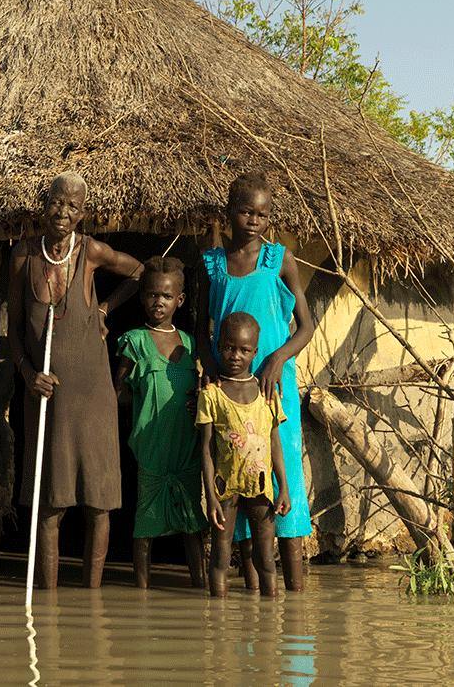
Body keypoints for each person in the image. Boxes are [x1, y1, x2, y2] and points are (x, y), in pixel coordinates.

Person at [9, 171, 142, 589]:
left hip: (93, 394)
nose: (62, 213)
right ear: (44, 204)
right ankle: (47, 599)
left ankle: (92, 598)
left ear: (83, 213)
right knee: (50, 504)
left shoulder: (92, 251)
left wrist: (104, 308)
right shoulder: (23, 255)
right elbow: (12, 331)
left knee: (98, 504)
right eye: (56, 203)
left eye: (72, 206)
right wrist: (30, 376)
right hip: (45, 396)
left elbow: (141, 271)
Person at [197, 171, 314, 591]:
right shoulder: (212, 263)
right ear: (229, 212)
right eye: (245, 211)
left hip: (273, 388)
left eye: (262, 214)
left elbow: (306, 326)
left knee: (285, 483)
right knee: (238, 479)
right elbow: (200, 329)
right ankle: (253, 621)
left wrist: (277, 360)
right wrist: (212, 375)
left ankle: (295, 603)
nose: (253, 220)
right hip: (229, 392)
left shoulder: (279, 260)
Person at [114, 256, 207, 589]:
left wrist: (199, 401)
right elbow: (117, 392)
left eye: (166, 296)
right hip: (152, 442)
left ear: (179, 301)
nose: (158, 302)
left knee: (193, 520)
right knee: (146, 522)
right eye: (152, 295)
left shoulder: (191, 343)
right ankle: (142, 594)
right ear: (142, 297)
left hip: (186, 443)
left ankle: (201, 587)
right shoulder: (135, 341)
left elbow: (201, 388)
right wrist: (146, 398)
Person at [197, 311, 291, 597]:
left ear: (255, 352)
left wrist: (283, 487)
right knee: (220, 559)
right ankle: (219, 626)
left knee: (265, 561)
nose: (235, 355)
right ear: (218, 345)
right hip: (225, 489)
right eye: (228, 347)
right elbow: (206, 448)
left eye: (244, 350)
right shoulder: (211, 394)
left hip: (261, 488)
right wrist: (210, 495)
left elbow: (275, 442)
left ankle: (270, 623)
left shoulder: (266, 392)